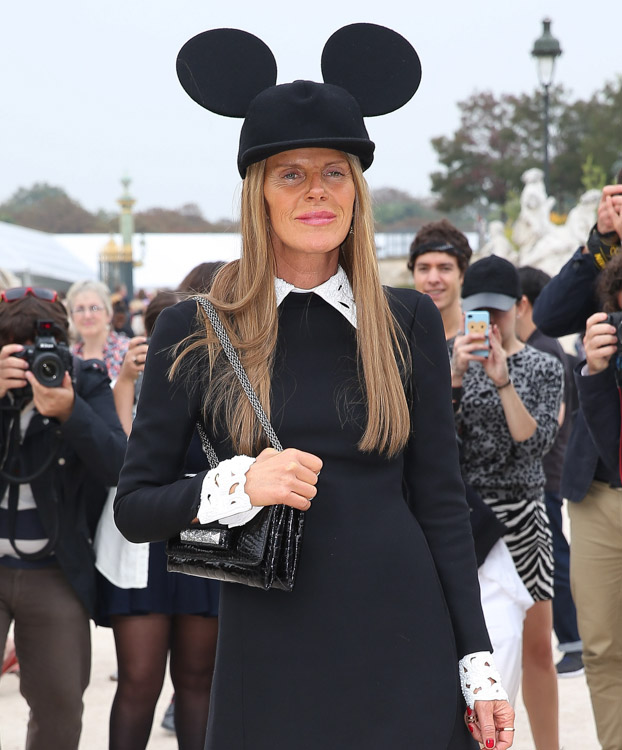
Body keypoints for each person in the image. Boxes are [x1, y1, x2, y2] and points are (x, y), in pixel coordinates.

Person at [114, 24, 514, 750]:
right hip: (269, 652)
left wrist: (478, 664)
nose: (317, 192)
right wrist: (237, 483)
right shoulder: (194, 329)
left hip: (407, 638)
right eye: (291, 173)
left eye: (334, 171)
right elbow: (135, 508)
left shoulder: (407, 318)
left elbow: (442, 504)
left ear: (357, 190)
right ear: (258, 193)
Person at [410, 223, 533, 704]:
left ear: (462, 275)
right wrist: (453, 374)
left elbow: (529, 440)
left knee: (512, 649)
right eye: (424, 268)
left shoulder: (498, 342)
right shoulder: (402, 337)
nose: (434, 278)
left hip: (496, 516)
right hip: (427, 514)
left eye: (444, 268)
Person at [0, 286, 126, 750]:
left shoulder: (83, 379)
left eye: (39, 347)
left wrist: (72, 413)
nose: (32, 361)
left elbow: (119, 465)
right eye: (16, 349)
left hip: (55, 569)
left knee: (59, 709)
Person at [97, 290, 219, 750]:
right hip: (142, 543)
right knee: (139, 681)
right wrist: (126, 380)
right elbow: (124, 455)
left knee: (196, 680)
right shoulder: (137, 381)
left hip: (204, 534)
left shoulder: (221, 375)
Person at [452, 255, 563, 750]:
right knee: (472, 643)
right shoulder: (447, 360)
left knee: (538, 648)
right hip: (467, 516)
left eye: (497, 312)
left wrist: (501, 379)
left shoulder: (543, 364)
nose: (488, 323)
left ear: (520, 307)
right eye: (478, 312)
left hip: (523, 515)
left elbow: (534, 445)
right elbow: (434, 447)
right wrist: (454, 376)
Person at [533, 183, 622, 750]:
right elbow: (549, 312)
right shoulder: (607, 256)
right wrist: (601, 240)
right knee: (600, 646)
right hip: (597, 487)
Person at [515, 266, 583, 678]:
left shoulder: (542, 349)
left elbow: (545, 425)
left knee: (553, 558)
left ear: (523, 304)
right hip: (547, 472)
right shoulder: (545, 345)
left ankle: (574, 642)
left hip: (546, 473)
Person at [66, 280, 129, 382]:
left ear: (109, 313)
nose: (87, 315)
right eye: (80, 309)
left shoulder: (126, 351)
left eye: (94, 308)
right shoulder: (70, 356)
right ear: (72, 316)